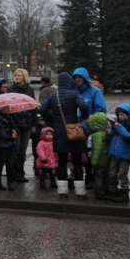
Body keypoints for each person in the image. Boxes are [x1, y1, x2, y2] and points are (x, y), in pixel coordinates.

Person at [41, 72, 89, 200]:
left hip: (59, 132)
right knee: (77, 161)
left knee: (61, 162)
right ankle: (80, 192)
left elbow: (42, 110)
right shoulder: (74, 94)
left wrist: (51, 121)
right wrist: (82, 119)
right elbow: (84, 106)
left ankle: (62, 192)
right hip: (74, 130)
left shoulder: (53, 95)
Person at [8, 68, 36, 182]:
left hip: (27, 124)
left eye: (19, 75)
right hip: (15, 123)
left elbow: (33, 106)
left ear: (24, 77)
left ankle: (20, 173)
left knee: (22, 152)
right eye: (16, 75)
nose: (17, 77)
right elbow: (8, 107)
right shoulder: (11, 89)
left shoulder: (29, 90)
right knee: (15, 149)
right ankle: (13, 173)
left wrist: (34, 123)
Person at [106, 104, 130, 203]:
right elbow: (110, 137)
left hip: (125, 156)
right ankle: (112, 191)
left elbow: (129, 137)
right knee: (111, 173)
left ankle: (124, 193)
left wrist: (119, 127)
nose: (120, 117)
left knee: (122, 174)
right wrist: (110, 129)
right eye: (119, 114)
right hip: (114, 154)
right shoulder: (117, 126)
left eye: (123, 115)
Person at [84, 111, 110, 200]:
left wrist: (93, 161)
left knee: (98, 176)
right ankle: (106, 191)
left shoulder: (95, 135)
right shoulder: (107, 133)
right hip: (107, 160)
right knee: (105, 176)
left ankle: (99, 193)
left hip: (99, 161)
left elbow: (97, 149)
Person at [0, 109, 17, 191]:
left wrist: (15, 132)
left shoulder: (10, 117)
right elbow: (0, 132)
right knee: (0, 164)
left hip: (11, 144)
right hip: (2, 145)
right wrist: (11, 134)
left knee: (10, 165)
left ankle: (10, 182)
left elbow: (15, 128)